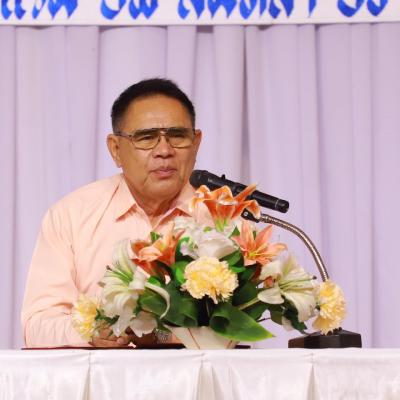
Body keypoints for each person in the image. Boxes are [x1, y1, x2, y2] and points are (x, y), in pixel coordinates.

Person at [21, 78, 204, 348]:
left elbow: (235, 332)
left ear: (196, 143)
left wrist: (159, 336)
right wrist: (90, 332)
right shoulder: (71, 216)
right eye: (146, 138)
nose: (164, 151)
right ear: (116, 149)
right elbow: (37, 325)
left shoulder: (220, 218)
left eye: (177, 136)